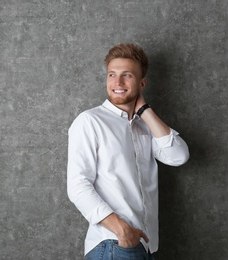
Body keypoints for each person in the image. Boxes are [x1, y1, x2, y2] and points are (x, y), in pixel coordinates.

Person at [67, 43, 189, 260]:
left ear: (142, 83)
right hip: (114, 244)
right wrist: (122, 230)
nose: (117, 82)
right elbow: (78, 186)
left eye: (127, 76)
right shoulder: (90, 121)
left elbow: (178, 156)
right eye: (112, 75)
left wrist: (144, 110)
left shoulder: (145, 127)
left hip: (143, 246)